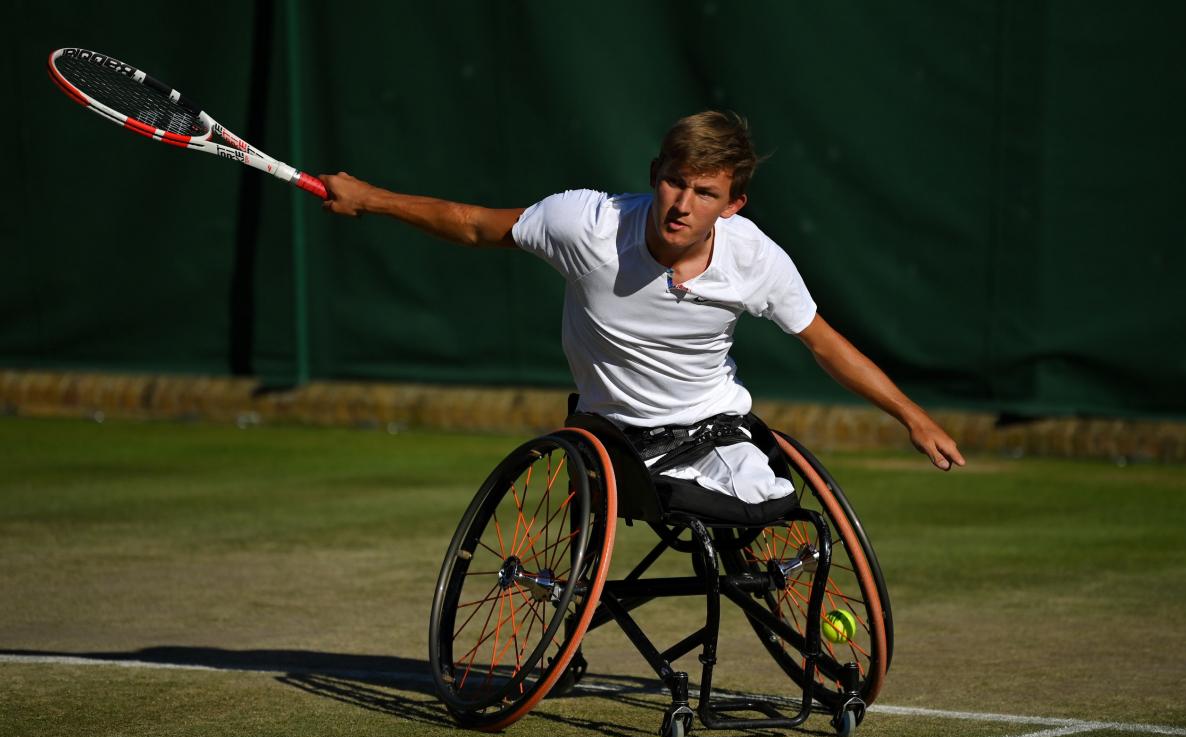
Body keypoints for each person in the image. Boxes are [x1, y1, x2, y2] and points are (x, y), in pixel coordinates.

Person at [320, 111, 964, 503]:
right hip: (611, 437)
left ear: (732, 205)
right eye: (674, 182)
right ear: (656, 173)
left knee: (776, 512)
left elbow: (823, 343)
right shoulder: (588, 227)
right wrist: (369, 198)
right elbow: (473, 225)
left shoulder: (756, 258)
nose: (683, 204)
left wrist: (912, 416)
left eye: (705, 192)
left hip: (716, 430)